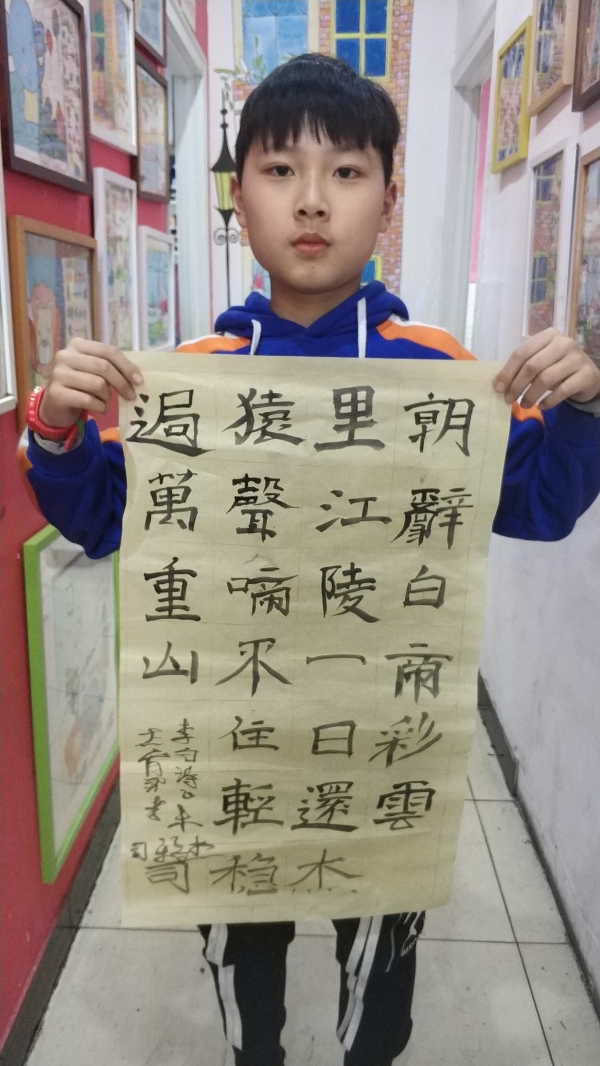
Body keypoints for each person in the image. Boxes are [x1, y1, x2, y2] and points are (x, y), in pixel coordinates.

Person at [19, 54, 600, 1066]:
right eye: (280, 170)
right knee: (247, 969)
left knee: (378, 980)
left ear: (388, 199)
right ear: (239, 197)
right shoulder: (190, 381)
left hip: (379, 746)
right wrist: (57, 429)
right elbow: (105, 519)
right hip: (235, 740)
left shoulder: (439, 375)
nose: (313, 201)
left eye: (348, 172)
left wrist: (584, 410)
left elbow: (540, 506)